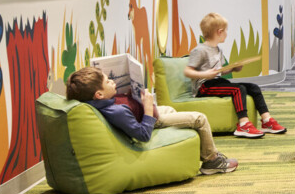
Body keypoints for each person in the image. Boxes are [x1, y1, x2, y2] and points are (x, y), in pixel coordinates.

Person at [66, 66, 237, 175]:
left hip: (147, 115)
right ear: (99, 95)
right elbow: (142, 134)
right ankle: (212, 161)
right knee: (199, 118)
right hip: (150, 121)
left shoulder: (103, 102)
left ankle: (201, 151)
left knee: (170, 110)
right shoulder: (116, 111)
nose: (112, 81)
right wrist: (148, 108)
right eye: (108, 81)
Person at [185, 12, 287, 139]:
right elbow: (187, 71)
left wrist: (233, 68)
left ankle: (267, 121)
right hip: (204, 87)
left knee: (253, 87)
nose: (227, 33)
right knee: (238, 89)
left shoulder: (218, 49)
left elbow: (220, 71)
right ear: (219, 32)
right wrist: (205, 74)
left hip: (217, 82)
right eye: (226, 31)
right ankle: (243, 124)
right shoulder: (199, 50)